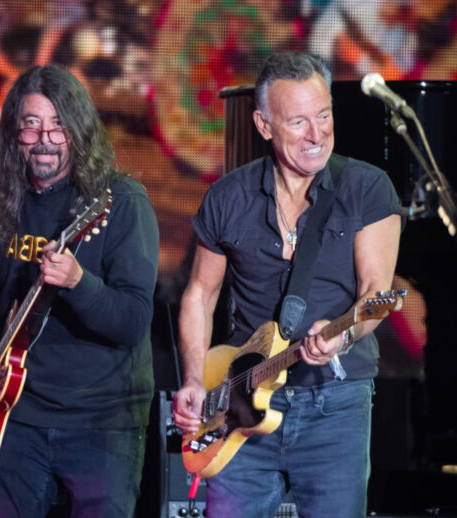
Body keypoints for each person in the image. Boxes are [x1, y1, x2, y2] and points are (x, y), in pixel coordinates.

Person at [172, 51, 402, 517]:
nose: (317, 135)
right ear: (263, 125)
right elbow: (199, 295)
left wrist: (343, 335)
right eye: (298, 122)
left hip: (334, 406)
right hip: (238, 402)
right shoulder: (228, 196)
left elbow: (375, 294)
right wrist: (194, 380)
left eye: (324, 116)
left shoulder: (366, 187)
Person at [0, 64, 159, 518]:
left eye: (59, 126)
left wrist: (79, 284)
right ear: (14, 133)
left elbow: (133, 322)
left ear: (78, 132)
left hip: (102, 420)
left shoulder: (120, 202)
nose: (45, 138)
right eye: (32, 125)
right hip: (14, 414)